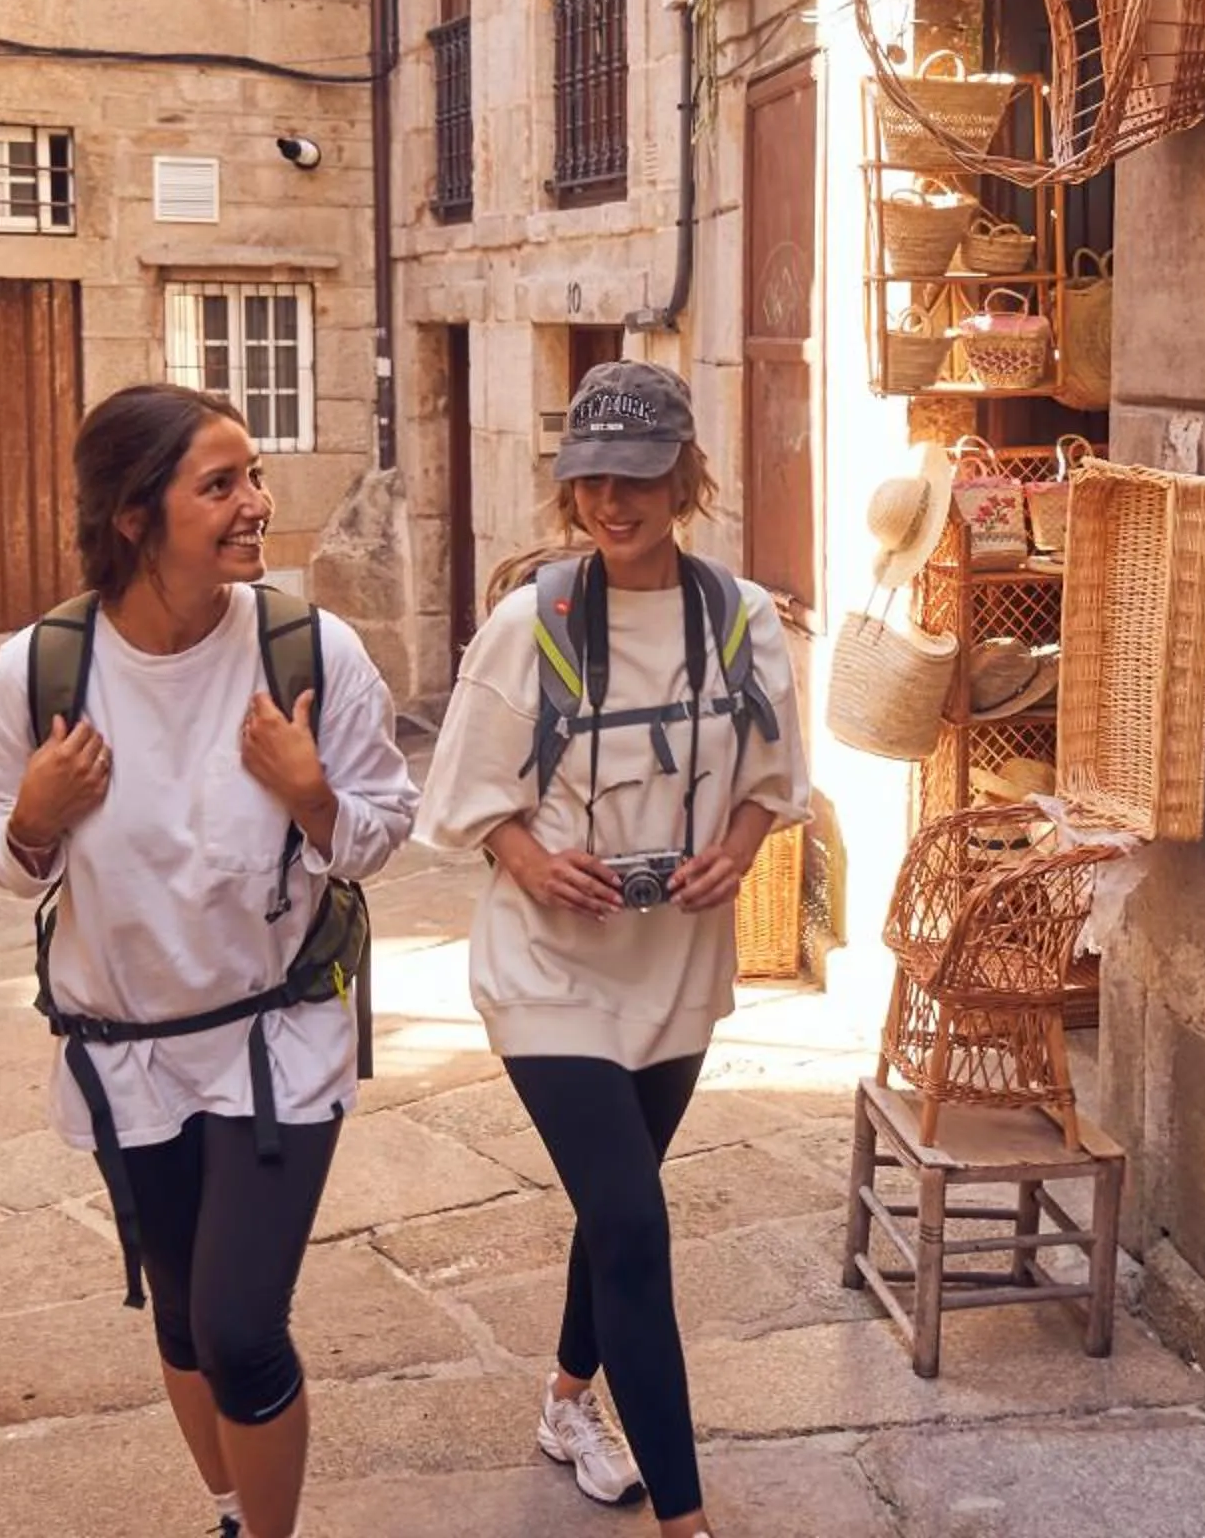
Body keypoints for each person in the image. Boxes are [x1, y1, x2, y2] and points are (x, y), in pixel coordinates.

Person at [0, 384, 416, 1538]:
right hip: (127, 1054)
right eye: (220, 484)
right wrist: (32, 816)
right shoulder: (41, 670)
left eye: (252, 474)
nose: (257, 501)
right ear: (133, 515)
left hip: (279, 1037)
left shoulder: (309, 651)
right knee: (180, 1319)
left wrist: (314, 796)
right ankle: (230, 1508)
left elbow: (385, 826)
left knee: (241, 1327)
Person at [419, 360, 811, 1538]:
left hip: (675, 963)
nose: (611, 500)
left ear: (685, 478)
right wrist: (532, 860)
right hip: (546, 968)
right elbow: (466, 795)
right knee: (636, 1221)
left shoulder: (739, 618)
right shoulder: (530, 623)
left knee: (616, 1205)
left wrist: (735, 852)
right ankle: (686, 1520)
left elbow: (772, 782)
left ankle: (564, 1402)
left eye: (637, 476)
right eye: (591, 475)